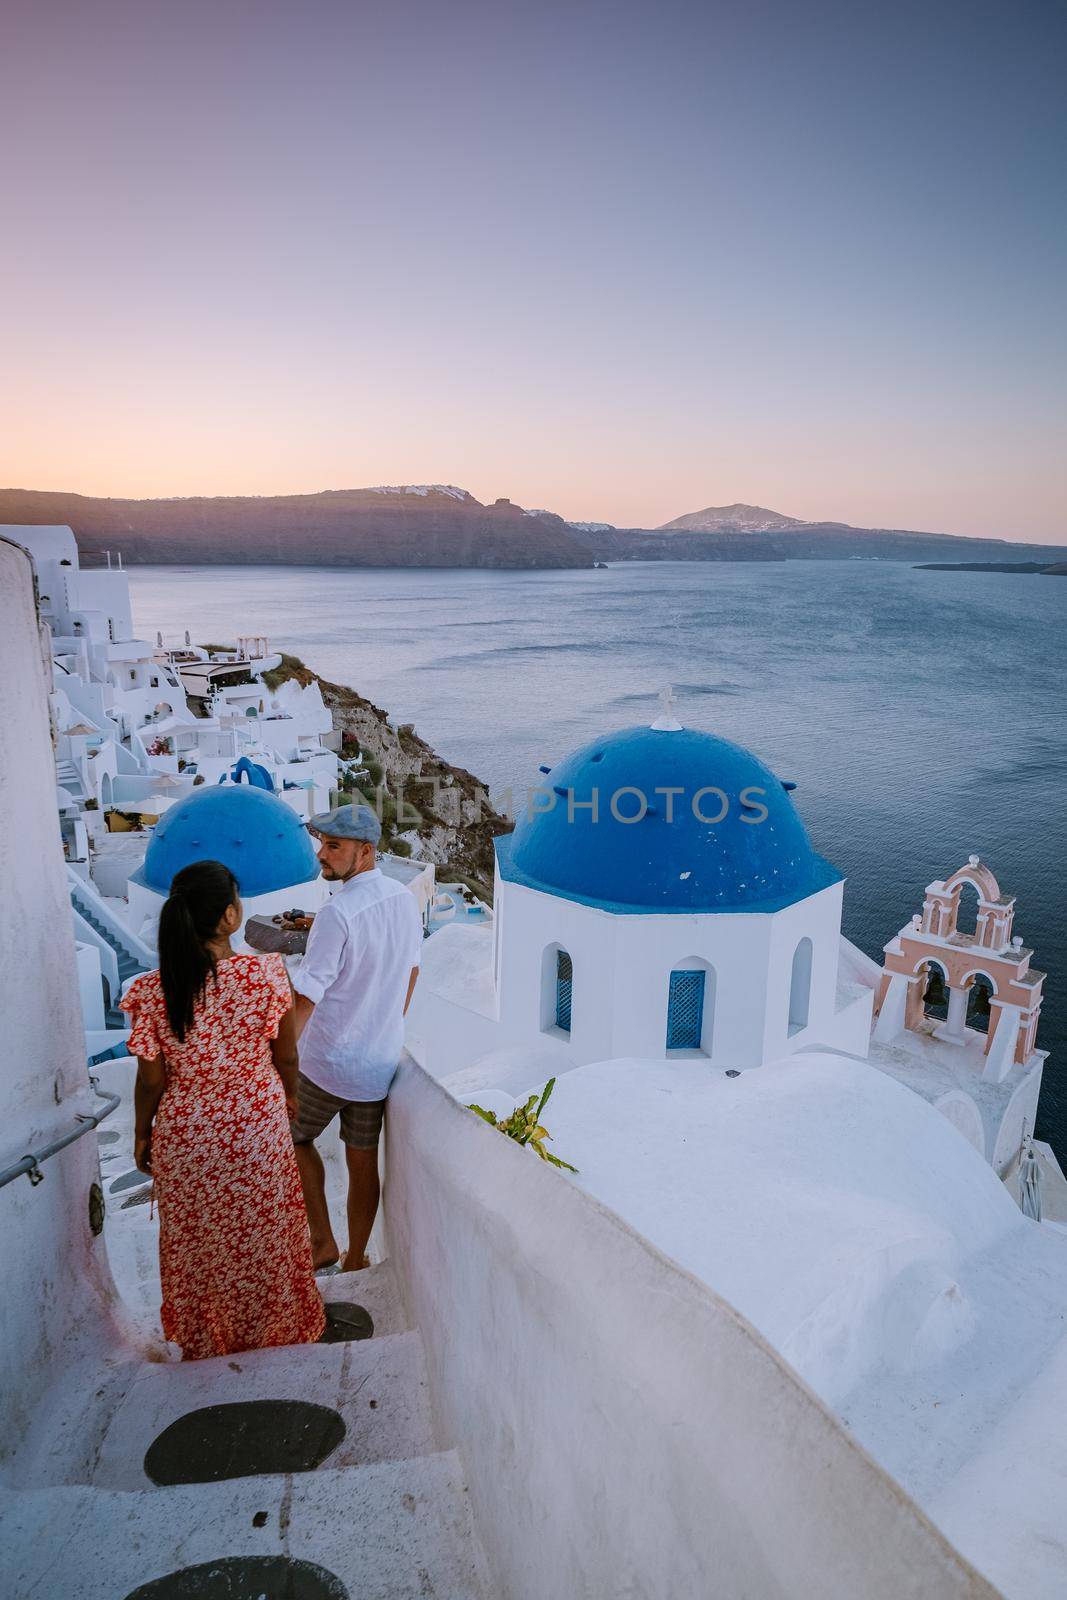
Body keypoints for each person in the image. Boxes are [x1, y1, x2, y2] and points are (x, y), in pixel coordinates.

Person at [122, 860, 325, 1359]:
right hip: (256, 1123)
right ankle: (278, 1329)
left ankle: (211, 1339)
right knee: (265, 1232)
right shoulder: (264, 975)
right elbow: (287, 1054)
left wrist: (142, 1134)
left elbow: (151, 1080)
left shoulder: (150, 990)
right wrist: (289, 1094)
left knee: (201, 1245)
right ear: (230, 916)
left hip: (185, 1132)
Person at [290, 803, 422, 1272]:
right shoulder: (404, 899)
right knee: (362, 1161)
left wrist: (280, 1061)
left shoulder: (338, 913)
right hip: (377, 1065)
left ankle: (323, 1241)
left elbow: (306, 996)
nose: (322, 855)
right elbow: (410, 973)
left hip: (326, 1064)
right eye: (322, 844)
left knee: (293, 1140)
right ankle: (356, 1259)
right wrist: (386, 1023)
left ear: (365, 852)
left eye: (334, 846)